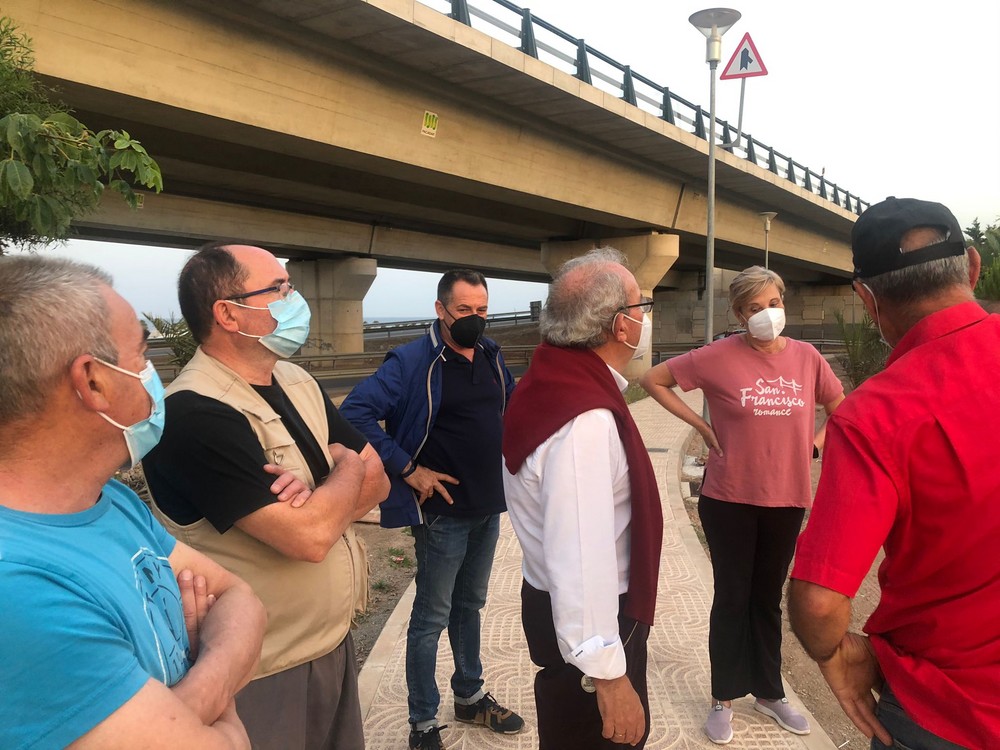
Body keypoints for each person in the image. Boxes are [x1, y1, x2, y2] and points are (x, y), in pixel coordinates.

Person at [0, 255, 267, 749]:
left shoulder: (110, 501)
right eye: (141, 354)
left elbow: (241, 599)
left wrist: (191, 700)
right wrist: (216, 680)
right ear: (93, 381)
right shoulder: (18, 590)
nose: (151, 372)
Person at [141, 242, 390, 750]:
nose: (293, 298)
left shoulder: (294, 379)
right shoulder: (195, 414)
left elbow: (380, 478)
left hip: (331, 644)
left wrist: (321, 496)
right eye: (279, 288)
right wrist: (343, 468)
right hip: (264, 669)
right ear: (229, 314)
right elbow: (312, 536)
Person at [789, 197, 1000, 750]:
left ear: (866, 297)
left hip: (949, 711)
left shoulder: (876, 414)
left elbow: (818, 601)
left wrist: (837, 657)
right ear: (973, 267)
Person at [640, 265, 844, 744]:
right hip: (729, 498)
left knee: (767, 600)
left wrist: (815, 443)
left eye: (774, 304)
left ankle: (770, 693)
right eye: (755, 308)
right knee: (732, 597)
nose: (767, 315)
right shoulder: (718, 356)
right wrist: (704, 428)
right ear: (738, 313)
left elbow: (841, 408)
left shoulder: (808, 358)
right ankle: (723, 698)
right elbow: (653, 379)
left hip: (787, 497)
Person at [340, 269, 522, 750]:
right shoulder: (411, 360)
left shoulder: (490, 353)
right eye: (464, 310)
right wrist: (408, 468)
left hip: (487, 502)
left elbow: (512, 402)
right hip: (441, 512)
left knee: (471, 604)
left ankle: (470, 694)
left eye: (482, 310)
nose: (475, 320)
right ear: (440, 310)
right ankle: (422, 721)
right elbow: (354, 412)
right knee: (430, 617)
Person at [502, 247, 663, 749]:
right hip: (591, 624)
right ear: (620, 326)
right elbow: (581, 556)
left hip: (557, 605)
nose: (645, 320)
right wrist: (608, 675)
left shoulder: (549, 381)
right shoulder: (584, 420)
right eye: (642, 309)